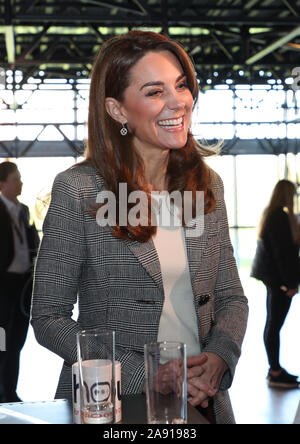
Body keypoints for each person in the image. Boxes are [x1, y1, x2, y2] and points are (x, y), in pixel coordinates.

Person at [31, 31, 248, 424]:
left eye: (181, 85)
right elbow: (49, 318)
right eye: (154, 92)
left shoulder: (207, 184)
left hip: (203, 401)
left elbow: (231, 297)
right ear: (117, 110)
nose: (178, 101)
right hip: (112, 403)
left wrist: (218, 358)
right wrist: (146, 374)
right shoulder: (80, 189)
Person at [251, 179, 300, 389]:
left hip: (275, 278)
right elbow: (283, 254)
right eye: (294, 194)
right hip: (278, 280)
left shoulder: (274, 214)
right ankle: (275, 370)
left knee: (273, 324)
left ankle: (275, 368)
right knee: (274, 325)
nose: (296, 197)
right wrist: (290, 284)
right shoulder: (279, 217)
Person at [0, 161, 40, 402]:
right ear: (3, 184)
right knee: (2, 342)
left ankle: (10, 391)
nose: (20, 182)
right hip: (2, 287)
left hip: (23, 285)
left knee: (16, 342)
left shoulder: (24, 210)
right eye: (15, 179)